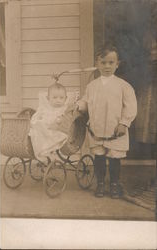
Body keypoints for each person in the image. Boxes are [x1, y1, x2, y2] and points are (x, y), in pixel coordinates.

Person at [77, 44, 137, 198]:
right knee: (99, 157)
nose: (107, 66)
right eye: (103, 62)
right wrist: (79, 106)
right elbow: (85, 101)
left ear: (117, 64)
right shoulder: (91, 86)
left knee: (114, 157)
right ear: (97, 64)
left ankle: (114, 184)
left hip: (115, 129)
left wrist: (124, 123)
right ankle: (101, 184)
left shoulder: (124, 86)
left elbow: (130, 106)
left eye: (111, 63)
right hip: (97, 129)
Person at [29, 83, 69, 161]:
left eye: (61, 98)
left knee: (43, 129)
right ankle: (44, 152)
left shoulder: (64, 109)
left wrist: (60, 120)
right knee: (36, 129)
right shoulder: (44, 108)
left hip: (56, 132)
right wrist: (36, 121)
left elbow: (67, 120)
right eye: (54, 98)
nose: (58, 100)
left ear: (65, 98)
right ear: (48, 98)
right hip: (44, 131)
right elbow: (36, 117)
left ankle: (47, 152)